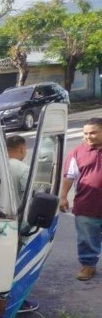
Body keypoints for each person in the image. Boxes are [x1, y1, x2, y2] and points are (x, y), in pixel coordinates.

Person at [0, 135, 38, 313]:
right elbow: (30, 198)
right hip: (15, 225)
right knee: (14, 265)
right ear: (22, 149)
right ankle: (14, 302)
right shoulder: (24, 169)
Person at [59, 117, 102, 281]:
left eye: (93, 133)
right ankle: (88, 265)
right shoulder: (76, 153)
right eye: (85, 133)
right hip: (86, 204)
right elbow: (69, 176)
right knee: (86, 238)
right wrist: (63, 197)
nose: (88, 137)